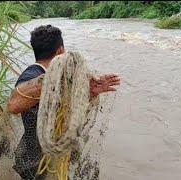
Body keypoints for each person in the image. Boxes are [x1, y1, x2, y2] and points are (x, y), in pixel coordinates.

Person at [7, 25, 120, 179]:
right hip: (35, 163)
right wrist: (55, 76)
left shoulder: (57, 79)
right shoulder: (33, 74)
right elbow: (14, 105)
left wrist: (89, 91)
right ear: (61, 51)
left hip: (52, 157)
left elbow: (62, 106)